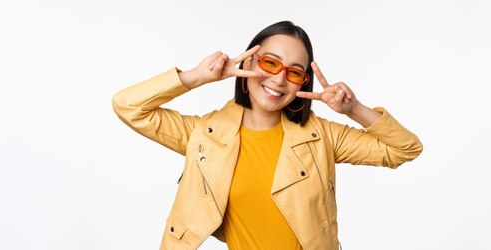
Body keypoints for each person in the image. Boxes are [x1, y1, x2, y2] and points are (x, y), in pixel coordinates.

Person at [112, 20, 423, 250]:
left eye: (294, 71)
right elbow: (128, 106)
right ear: (248, 64)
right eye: (270, 63)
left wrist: (353, 108)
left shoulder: (322, 136)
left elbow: (405, 149)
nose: (278, 78)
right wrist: (197, 77)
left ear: (303, 83)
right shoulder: (203, 136)